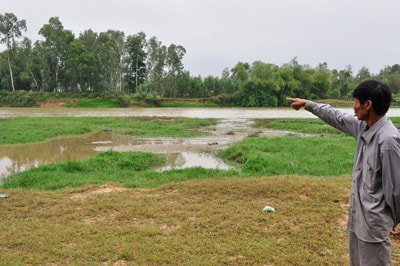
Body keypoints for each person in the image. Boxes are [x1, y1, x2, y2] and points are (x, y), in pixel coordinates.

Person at [287, 79, 400, 266]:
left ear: (368, 105)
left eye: (356, 102)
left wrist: (392, 221)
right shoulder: (363, 127)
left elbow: (396, 190)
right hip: (358, 222)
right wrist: (308, 105)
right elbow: (336, 116)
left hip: (374, 229)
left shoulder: (388, 141)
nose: (354, 108)